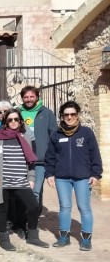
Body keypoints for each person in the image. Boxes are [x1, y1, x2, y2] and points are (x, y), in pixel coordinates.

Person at [0, 108, 50, 251]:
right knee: (2, 209)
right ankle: (3, 238)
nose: (13, 122)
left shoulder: (25, 136)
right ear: (5, 121)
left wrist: (31, 177)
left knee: (34, 207)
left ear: (20, 121)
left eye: (16, 119)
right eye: (10, 119)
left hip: (21, 180)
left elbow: (31, 160)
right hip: (3, 181)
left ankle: (33, 236)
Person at [45, 101, 103, 251]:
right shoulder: (56, 135)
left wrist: (96, 174)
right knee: (64, 207)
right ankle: (64, 238)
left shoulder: (86, 133)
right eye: (66, 115)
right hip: (62, 178)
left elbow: (95, 155)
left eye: (73, 114)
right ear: (62, 117)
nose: (69, 117)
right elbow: (50, 156)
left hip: (82, 177)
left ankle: (86, 240)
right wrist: (49, 173)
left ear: (77, 115)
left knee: (84, 208)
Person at [17, 85, 57, 206]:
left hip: (39, 161)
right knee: (21, 191)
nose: (29, 99)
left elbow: (54, 136)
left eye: (31, 96)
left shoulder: (47, 113)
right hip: (20, 159)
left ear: (37, 97)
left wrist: (52, 157)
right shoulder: (17, 113)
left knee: (35, 191)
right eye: (26, 97)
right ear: (22, 98)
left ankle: (32, 220)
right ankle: (22, 218)